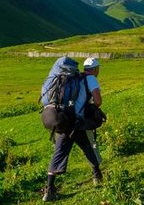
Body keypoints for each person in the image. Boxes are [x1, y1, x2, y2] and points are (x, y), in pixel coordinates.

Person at [42, 57, 103, 202]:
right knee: (90, 146)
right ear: (95, 69)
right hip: (77, 122)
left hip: (63, 120)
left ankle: (49, 189)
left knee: (59, 153)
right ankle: (97, 177)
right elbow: (98, 101)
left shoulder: (74, 78)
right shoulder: (91, 79)